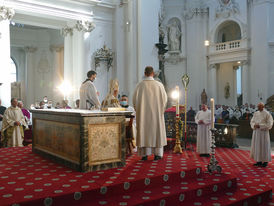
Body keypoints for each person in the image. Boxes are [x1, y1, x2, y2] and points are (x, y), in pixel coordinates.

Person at [133, 66, 167, 160]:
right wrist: (161, 110)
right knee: (156, 132)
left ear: (145, 73)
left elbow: (134, 101)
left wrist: (139, 110)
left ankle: (145, 154)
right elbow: (164, 100)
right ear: (153, 74)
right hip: (156, 115)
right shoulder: (159, 85)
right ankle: (157, 154)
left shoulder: (140, 85)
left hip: (143, 115)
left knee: (145, 132)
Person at [250, 102, 273, 167]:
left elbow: (270, 123)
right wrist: (254, 125)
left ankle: (265, 162)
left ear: (263, 107)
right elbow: (252, 121)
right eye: (258, 106)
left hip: (263, 133)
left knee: (264, 146)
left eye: (260, 106)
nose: (258, 108)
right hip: (256, 132)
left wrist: (260, 125)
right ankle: (258, 161)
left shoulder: (267, 114)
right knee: (257, 146)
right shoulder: (256, 113)